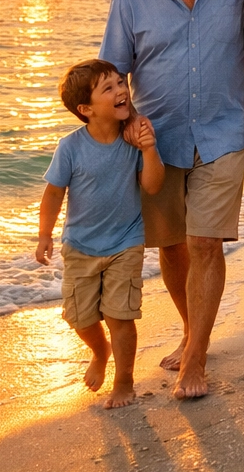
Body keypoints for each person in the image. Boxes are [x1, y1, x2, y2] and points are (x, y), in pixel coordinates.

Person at [99, 0, 244, 400]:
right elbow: (111, 73)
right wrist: (122, 124)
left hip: (224, 135)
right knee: (171, 246)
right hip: (158, 144)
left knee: (205, 242)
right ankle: (193, 330)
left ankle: (197, 357)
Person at [34, 59, 165, 409]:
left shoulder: (132, 140)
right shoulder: (71, 147)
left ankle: (124, 380)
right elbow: (53, 192)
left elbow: (152, 187)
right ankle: (99, 350)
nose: (121, 90)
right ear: (86, 109)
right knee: (81, 317)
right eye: (108, 88)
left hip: (126, 241)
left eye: (120, 83)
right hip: (79, 247)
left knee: (121, 316)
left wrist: (149, 148)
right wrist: (44, 234)